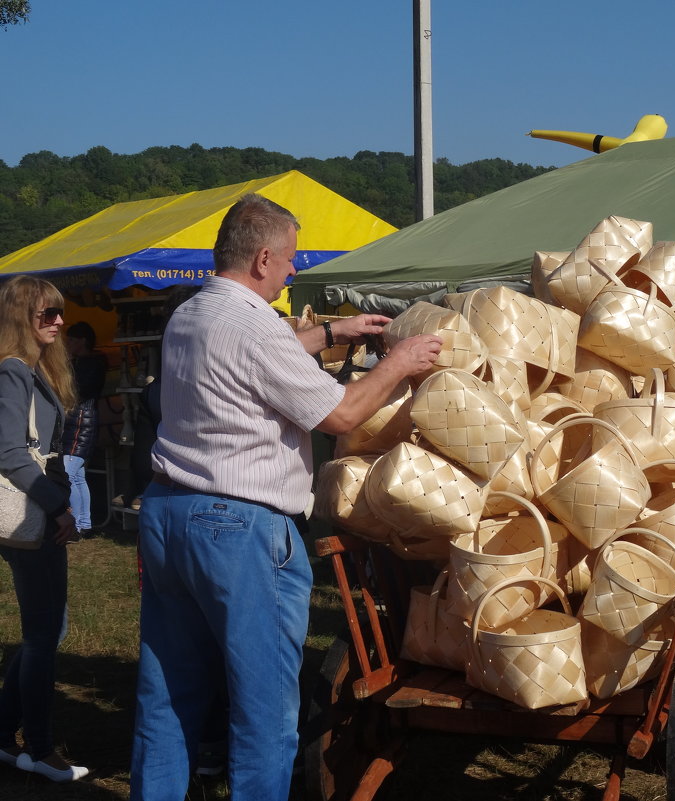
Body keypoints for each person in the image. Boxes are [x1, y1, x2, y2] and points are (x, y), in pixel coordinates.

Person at [129, 194, 442, 801]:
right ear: (264, 257)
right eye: (292, 259)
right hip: (237, 527)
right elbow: (344, 410)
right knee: (264, 707)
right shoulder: (251, 324)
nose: (295, 270)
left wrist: (333, 331)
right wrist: (399, 363)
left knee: (166, 692)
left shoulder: (192, 314)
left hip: (169, 513)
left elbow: (252, 359)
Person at [0, 276, 88, 782]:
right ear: (20, 319)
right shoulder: (13, 373)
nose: (58, 322)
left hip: (38, 510)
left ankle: (8, 732)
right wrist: (58, 507)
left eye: (60, 313)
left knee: (47, 629)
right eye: (46, 314)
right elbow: (11, 452)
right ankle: (40, 748)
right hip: (33, 511)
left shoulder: (30, 370)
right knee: (42, 633)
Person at [61, 321, 107, 539]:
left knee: (68, 474)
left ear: (83, 341)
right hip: (78, 421)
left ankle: (76, 525)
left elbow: (80, 390)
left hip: (81, 422)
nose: (67, 343)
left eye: (71, 340)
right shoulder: (83, 362)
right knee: (78, 476)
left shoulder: (93, 363)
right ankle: (83, 524)